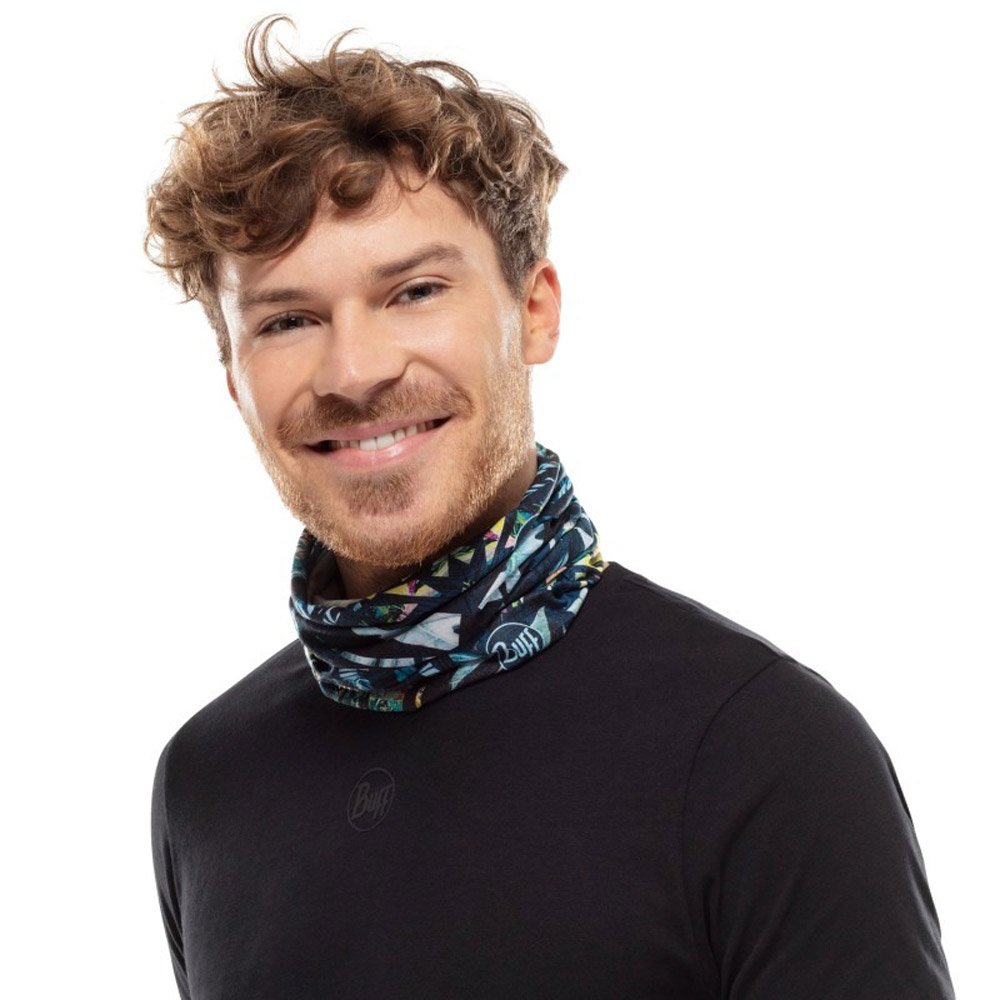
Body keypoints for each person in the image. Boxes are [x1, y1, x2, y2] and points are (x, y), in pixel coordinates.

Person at [146, 17, 954, 999]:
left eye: (414, 291)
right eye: (286, 319)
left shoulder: (762, 751)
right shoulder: (207, 783)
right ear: (233, 373)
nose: (353, 371)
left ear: (534, 312)